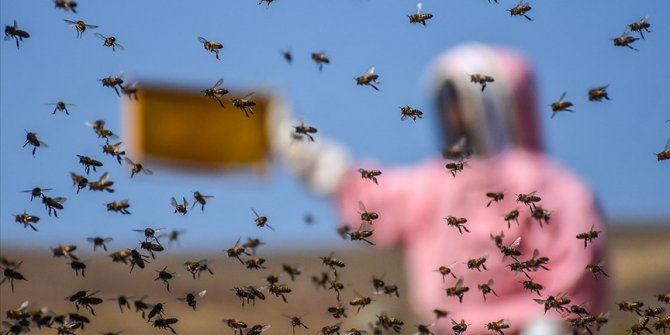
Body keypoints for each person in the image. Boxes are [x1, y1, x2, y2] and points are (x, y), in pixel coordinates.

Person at [268, 43, 608, 335]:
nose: (451, 114)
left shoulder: (556, 189)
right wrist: (296, 143)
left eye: (457, 101)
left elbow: (575, 275)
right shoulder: (433, 186)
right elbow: (361, 190)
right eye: (444, 103)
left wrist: (546, 324)